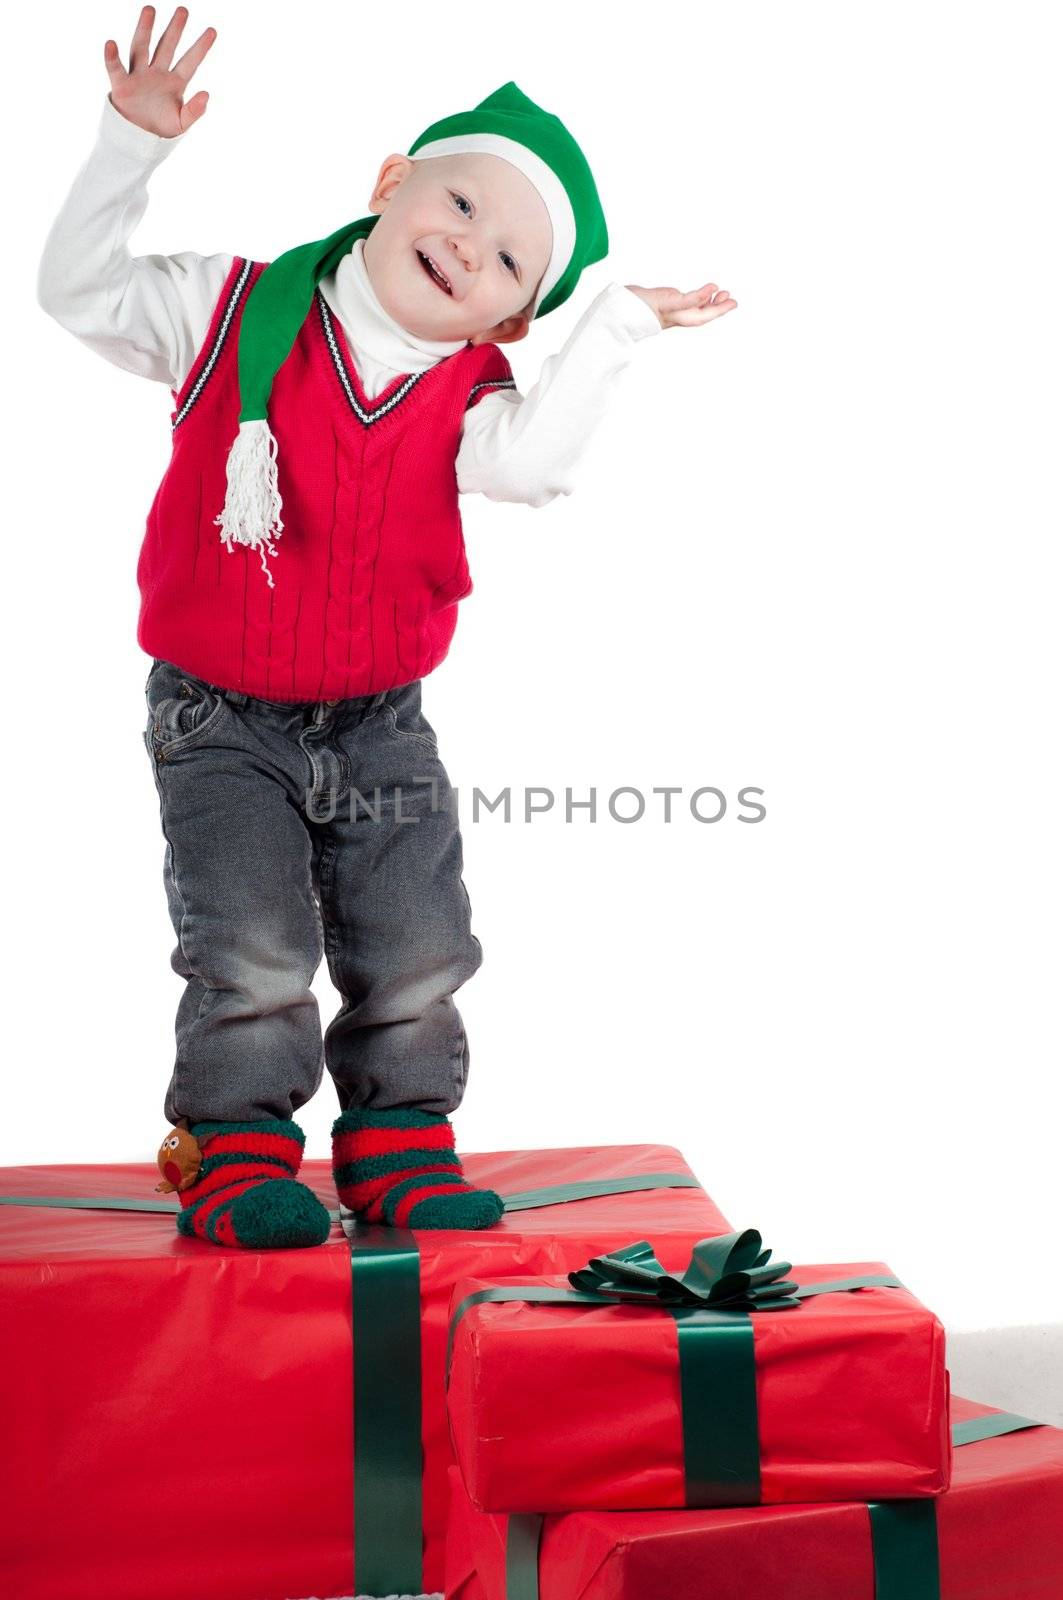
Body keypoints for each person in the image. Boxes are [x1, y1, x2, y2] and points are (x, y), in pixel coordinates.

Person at [37, 4, 737, 1248]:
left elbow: (530, 474)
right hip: (219, 714)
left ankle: (400, 1139)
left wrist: (614, 330)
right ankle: (237, 1145)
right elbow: (77, 289)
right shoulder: (228, 312)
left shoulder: (470, 388)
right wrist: (124, 150)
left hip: (380, 722)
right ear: (389, 184)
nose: (474, 248)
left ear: (510, 322)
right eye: (463, 206)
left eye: (514, 259)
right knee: (249, 945)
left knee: (417, 943)